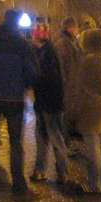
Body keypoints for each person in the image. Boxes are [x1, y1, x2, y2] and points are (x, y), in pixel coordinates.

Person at [0, 10, 38, 196]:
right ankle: (18, 185)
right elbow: (31, 72)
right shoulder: (22, 44)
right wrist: (26, 85)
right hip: (14, 98)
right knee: (15, 142)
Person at [68, 29, 101, 194]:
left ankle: (95, 184)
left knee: (92, 146)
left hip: (89, 106)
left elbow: (80, 87)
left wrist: (74, 108)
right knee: (100, 144)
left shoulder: (88, 60)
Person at [31, 22, 69, 185]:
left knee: (54, 138)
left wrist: (34, 79)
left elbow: (50, 79)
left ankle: (62, 172)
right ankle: (40, 170)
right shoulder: (44, 52)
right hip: (44, 102)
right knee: (43, 138)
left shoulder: (49, 54)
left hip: (50, 103)